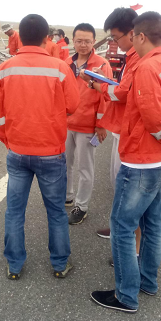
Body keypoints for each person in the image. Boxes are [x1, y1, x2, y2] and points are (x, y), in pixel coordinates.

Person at [91, 11, 161, 313]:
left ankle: (125, 295)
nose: (131, 41)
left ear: (141, 36)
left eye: (132, 35)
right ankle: (148, 281)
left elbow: (153, 119)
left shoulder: (147, 67)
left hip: (141, 161)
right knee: (152, 222)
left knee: (122, 226)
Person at [0, 14, 80, 280]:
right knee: (56, 212)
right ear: (46, 38)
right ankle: (59, 264)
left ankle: (14, 265)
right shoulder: (60, 68)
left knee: (14, 211)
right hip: (51, 152)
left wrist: (9, 141)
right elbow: (73, 106)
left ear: (20, 37)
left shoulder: (4, 68)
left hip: (17, 152)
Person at [80, 7, 139, 248]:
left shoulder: (139, 60)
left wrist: (95, 84)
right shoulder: (132, 58)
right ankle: (120, 229)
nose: (115, 42)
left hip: (130, 131)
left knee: (126, 186)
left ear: (132, 33)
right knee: (118, 182)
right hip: (123, 127)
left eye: (116, 37)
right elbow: (122, 89)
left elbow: (121, 93)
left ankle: (130, 247)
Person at [65, 23, 113, 225]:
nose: (83, 45)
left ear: (94, 41)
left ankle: (81, 206)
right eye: (79, 41)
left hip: (88, 126)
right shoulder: (67, 62)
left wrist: (101, 124)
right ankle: (67, 196)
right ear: (73, 41)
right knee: (64, 163)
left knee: (85, 168)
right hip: (67, 123)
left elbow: (106, 97)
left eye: (87, 41)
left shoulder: (101, 65)